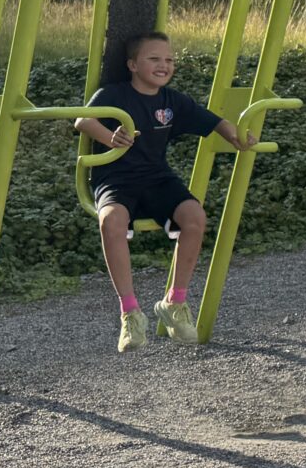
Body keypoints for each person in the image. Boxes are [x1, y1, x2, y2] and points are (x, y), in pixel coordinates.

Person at [73, 32, 256, 353]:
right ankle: (130, 312)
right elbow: (83, 120)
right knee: (111, 222)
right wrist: (109, 137)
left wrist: (236, 136)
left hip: (157, 179)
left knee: (195, 216)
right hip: (116, 179)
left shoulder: (172, 101)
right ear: (133, 65)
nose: (164, 65)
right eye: (154, 59)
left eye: (169, 60)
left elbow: (214, 121)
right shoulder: (114, 94)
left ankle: (175, 302)